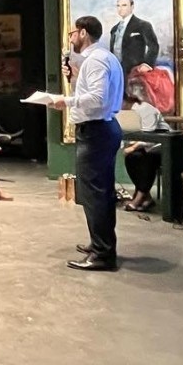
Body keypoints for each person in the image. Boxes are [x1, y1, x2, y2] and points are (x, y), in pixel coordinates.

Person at [53, 16, 125, 271]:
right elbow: (93, 94)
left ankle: (103, 254)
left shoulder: (95, 60)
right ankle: (100, 244)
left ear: (83, 33)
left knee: (95, 195)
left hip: (95, 132)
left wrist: (65, 101)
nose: (70, 37)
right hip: (102, 130)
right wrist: (74, 78)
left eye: (72, 33)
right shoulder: (103, 58)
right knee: (100, 193)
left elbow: (97, 98)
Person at [121, 81, 168, 213]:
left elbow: (149, 136)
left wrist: (133, 147)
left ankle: (140, 197)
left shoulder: (144, 109)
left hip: (162, 147)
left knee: (144, 159)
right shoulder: (125, 113)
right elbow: (127, 133)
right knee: (131, 158)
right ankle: (146, 197)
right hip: (144, 148)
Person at [109, 0, 160, 85]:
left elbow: (153, 46)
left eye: (124, 5)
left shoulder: (143, 25)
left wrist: (147, 64)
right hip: (116, 71)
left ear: (132, 7)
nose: (120, 8)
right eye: (118, 6)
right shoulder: (114, 29)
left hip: (134, 71)